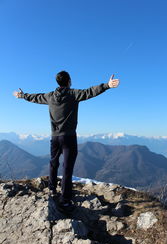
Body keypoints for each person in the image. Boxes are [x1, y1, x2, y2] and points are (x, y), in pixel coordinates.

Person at [13, 71, 120, 210]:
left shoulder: (49, 96)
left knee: (53, 163)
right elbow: (90, 92)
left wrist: (22, 95)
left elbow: (35, 97)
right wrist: (107, 85)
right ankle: (65, 199)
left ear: (57, 82)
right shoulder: (72, 94)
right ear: (69, 81)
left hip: (55, 137)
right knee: (67, 168)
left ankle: (52, 189)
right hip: (69, 137)